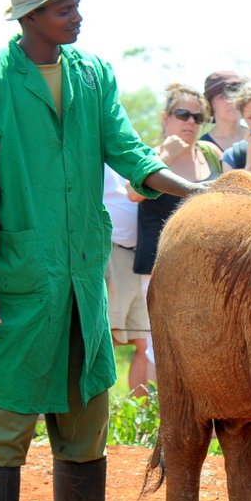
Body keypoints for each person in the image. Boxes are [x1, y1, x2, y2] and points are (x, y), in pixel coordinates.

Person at [0, 0, 211, 501]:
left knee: (88, 398)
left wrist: (192, 191)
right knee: (8, 406)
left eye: (77, 5)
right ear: (31, 15)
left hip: (82, 270)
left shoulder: (93, 75)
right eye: (65, 8)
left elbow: (128, 151)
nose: (78, 16)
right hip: (19, 268)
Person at [128, 84, 222, 339]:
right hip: (159, 264)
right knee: (157, 344)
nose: (190, 122)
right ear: (165, 117)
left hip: (206, 264)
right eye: (183, 114)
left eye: (198, 117)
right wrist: (166, 155)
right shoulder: (150, 154)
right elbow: (133, 193)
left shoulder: (211, 153)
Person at [102, 165, 150, 394]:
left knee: (143, 342)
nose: (191, 125)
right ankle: (98, 414)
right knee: (106, 338)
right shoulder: (94, 156)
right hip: (112, 253)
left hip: (139, 258)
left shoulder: (133, 156)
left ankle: (139, 414)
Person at [201, 69, 247, 152]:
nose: (231, 101)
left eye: (235, 93)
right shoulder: (203, 147)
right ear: (210, 104)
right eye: (222, 97)